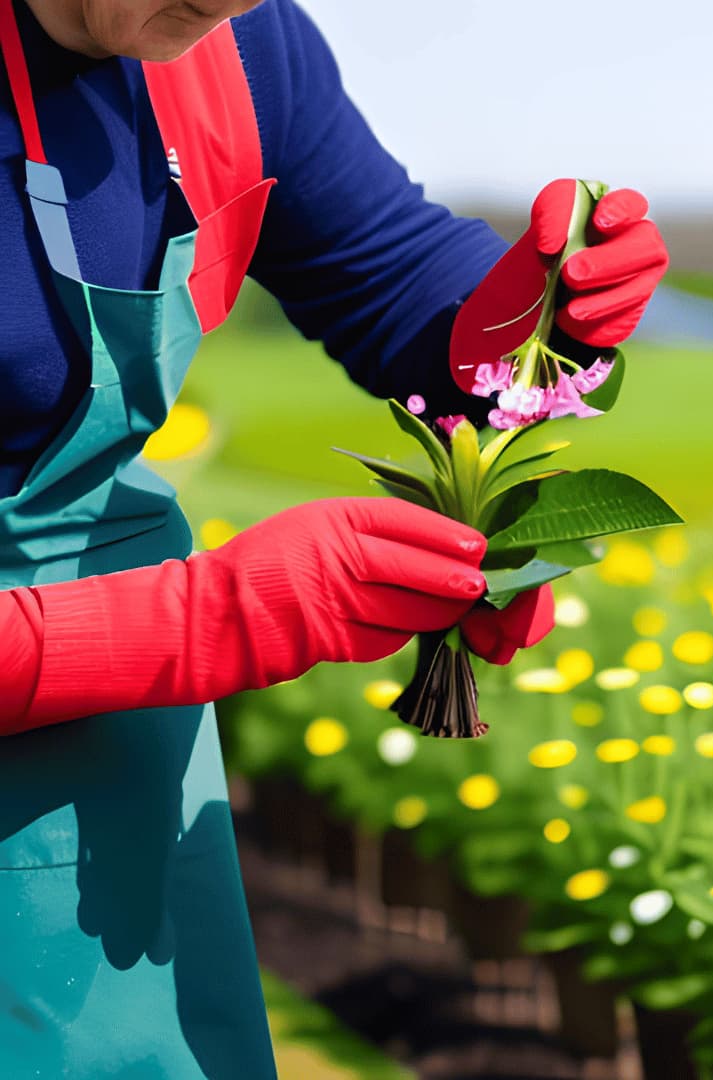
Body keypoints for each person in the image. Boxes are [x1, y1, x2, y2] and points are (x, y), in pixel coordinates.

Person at [0, 0, 669, 1075]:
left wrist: (527, 322)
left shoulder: (240, 49)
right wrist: (192, 621)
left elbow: (387, 274)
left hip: (108, 759)